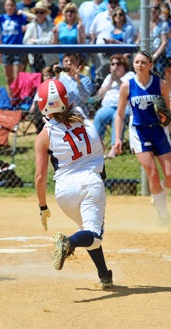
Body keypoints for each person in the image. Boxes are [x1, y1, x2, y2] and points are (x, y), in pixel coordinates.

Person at [34, 79, 113, 289]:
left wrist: (43, 206)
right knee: (94, 237)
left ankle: (104, 275)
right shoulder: (81, 114)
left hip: (63, 192)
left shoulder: (44, 135)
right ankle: (69, 243)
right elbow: (100, 146)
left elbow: (40, 177)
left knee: (85, 228)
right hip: (90, 183)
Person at [114, 50, 171, 224]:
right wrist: (117, 138)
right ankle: (163, 214)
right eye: (136, 62)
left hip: (158, 131)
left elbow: (167, 112)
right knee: (153, 173)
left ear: (150, 65)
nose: (139, 65)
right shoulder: (127, 86)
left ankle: (158, 196)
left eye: (143, 62)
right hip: (139, 131)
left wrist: (168, 119)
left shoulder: (161, 84)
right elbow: (119, 114)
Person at [93, 54, 134, 159]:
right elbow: (100, 95)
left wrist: (117, 80)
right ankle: (96, 149)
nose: (115, 66)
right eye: (113, 64)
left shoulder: (130, 75)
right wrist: (110, 81)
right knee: (99, 116)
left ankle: (114, 149)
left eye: (118, 64)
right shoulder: (108, 77)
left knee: (117, 117)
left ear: (124, 66)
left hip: (125, 107)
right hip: (108, 106)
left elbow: (129, 91)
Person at [0, 0, 31, 91]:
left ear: (15, 6)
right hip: (6, 49)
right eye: (8, 5)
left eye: (12, 5)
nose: (10, 7)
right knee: (8, 78)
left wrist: (23, 12)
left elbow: (34, 18)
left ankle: (18, 99)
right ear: (5, 7)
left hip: (18, 49)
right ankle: (12, 100)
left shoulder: (19, 17)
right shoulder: (2, 18)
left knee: (17, 77)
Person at [23, 1, 57, 72]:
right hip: (34, 58)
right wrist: (41, 42)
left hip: (48, 58)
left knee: (47, 80)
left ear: (46, 13)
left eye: (41, 12)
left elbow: (49, 41)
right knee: (36, 81)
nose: (39, 14)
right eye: (37, 12)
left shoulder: (51, 25)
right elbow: (26, 41)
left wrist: (35, 41)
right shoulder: (31, 26)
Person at [57, 53, 94, 117]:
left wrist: (78, 80)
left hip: (80, 115)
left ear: (77, 62)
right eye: (66, 61)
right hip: (64, 115)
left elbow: (85, 98)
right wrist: (56, 76)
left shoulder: (85, 80)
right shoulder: (60, 80)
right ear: (63, 63)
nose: (69, 63)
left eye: (72, 61)